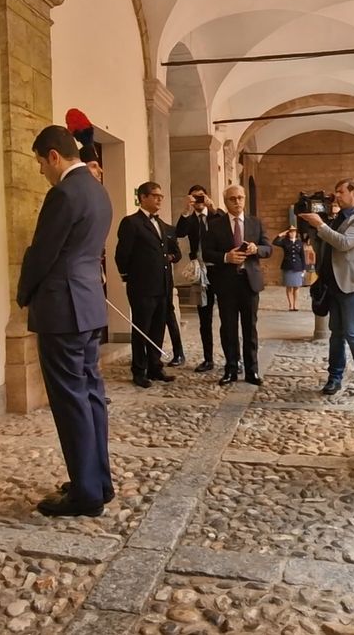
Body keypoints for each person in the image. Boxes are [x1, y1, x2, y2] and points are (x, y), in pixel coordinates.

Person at [16, 125, 113, 517]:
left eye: (41, 162)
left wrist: (23, 294)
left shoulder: (64, 193)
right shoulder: (97, 189)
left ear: (54, 156)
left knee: (71, 401)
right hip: (88, 305)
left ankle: (86, 494)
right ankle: (98, 480)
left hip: (62, 308)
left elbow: (43, 252)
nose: (41, 170)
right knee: (90, 395)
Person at [299, 178, 354, 400]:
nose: (338, 196)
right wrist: (313, 227)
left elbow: (344, 243)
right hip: (334, 284)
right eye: (336, 192)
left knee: (353, 334)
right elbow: (324, 246)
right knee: (336, 335)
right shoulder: (337, 218)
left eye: (341, 192)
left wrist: (320, 225)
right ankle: (334, 378)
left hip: (353, 285)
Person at [202, 184, 272, 386]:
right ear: (226, 202)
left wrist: (256, 249)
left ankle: (252, 371)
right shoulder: (215, 225)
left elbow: (268, 249)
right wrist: (226, 257)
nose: (237, 202)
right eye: (232, 199)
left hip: (249, 283)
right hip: (226, 284)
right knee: (228, 328)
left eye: (240, 198)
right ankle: (231, 369)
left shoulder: (255, 223)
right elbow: (206, 252)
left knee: (250, 328)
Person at [114, 181, 180, 389]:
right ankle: (139, 370)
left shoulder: (160, 223)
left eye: (161, 196)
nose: (159, 199)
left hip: (162, 286)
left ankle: (155, 366)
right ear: (143, 197)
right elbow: (122, 255)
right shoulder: (131, 223)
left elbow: (166, 252)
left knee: (158, 328)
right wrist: (129, 277)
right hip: (142, 287)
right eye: (155, 196)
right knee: (142, 329)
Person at [176, 185, 223, 373]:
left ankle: (233, 358)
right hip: (200, 272)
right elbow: (179, 232)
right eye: (195, 197)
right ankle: (208, 359)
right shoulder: (190, 219)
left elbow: (225, 227)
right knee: (204, 317)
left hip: (219, 269)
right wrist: (186, 210)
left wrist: (212, 208)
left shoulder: (215, 215)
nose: (198, 201)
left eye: (201, 197)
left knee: (228, 316)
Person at [274, 226, 306, 311]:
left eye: (294, 232)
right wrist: (282, 234)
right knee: (289, 287)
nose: (293, 233)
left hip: (298, 267)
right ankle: (290, 305)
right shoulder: (285, 242)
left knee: (296, 286)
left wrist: (304, 268)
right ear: (288, 233)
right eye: (291, 232)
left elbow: (302, 256)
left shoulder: (299, 242)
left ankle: (296, 304)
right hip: (288, 266)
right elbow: (275, 242)